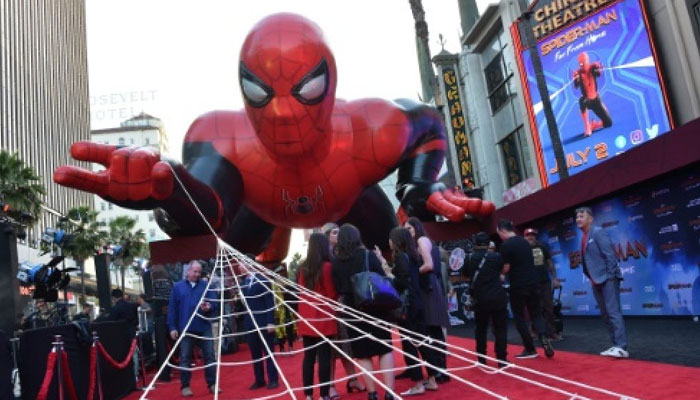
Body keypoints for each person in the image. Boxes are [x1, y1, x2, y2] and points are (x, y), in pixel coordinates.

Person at [332, 224, 395, 400]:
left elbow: (337, 287)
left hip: (351, 309)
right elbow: (381, 277)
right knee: (384, 348)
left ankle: (372, 393)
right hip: (373, 305)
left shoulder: (336, 262)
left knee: (362, 352)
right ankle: (389, 392)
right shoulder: (367, 255)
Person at [374, 227, 437, 396]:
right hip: (417, 302)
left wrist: (389, 277)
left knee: (409, 345)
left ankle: (418, 383)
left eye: (390, 238)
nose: (389, 241)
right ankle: (432, 378)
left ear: (396, 240)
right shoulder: (413, 256)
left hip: (408, 307)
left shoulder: (401, 257)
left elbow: (401, 282)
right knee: (422, 341)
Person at [496, 219, 554, 359]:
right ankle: (544, 337)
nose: (500, 236)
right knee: (536, 314)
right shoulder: (525, 242)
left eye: (499, 233)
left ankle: (530, 348)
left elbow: (506, 267)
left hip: (518, 285)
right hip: (533, 282)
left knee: (519, 317)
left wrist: (500, 274)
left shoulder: (506, 246)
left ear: (503, 231)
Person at [575, 207, 628, 358]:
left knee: (613, 312)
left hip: (608, 279)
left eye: (582, 216)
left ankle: (622, 347)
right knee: (605, 315)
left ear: (591, 219)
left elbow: (609, 256)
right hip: (596, 281)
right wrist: (592, 278)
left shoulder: (598, 232)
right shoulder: (583, 237)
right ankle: (615, 345)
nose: (578, 219)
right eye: (577, 217)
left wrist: (610, 277)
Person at [404, 217, 449, 386]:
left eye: (409, 228)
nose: (407, 232)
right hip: (427, 287)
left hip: (428, 288)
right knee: (432, 330)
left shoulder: (421, 240)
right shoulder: (420, 242)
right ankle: (439, 371)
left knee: (433, 329)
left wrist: (412, 274)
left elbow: (428, 264)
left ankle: (440, 371)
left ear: (417, 228)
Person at [322, 221, 365, 396]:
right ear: (326, 237)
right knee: (330, 348)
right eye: (334, 232)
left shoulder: (342, 254)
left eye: (339, 232)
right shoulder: (323, 257)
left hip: (342, 306)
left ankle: (353, 378)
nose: (338, 235)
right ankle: (330, 385)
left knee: (346, 345)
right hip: (327, 307)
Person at [167, 261, 219, 397]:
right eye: (195, 271)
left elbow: (214, 303)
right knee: (184, 358)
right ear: (188, 271)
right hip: (185, 329)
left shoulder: (206, 286)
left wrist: (209, 307)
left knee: (210, 356)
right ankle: (185, 386)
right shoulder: (177, 287)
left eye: (199, 272)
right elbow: (172, 309)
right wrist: (172, 327)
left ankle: (212, 384)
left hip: (204, 326)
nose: (197, 274)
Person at [298, 233, 337, 400]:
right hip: (323, 318)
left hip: (307, 318)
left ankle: (308, 395)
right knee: (324, 358)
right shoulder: (327, 267)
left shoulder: (302, 268)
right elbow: (331, 294)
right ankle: (324, 394)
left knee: (308, 358)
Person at [464, 232, 508, 367]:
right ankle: (501, 359)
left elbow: (465, 274)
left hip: (480, 298)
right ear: (489, 244)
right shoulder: (497, 257)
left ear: (475, 243)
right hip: (497, 296)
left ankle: (481, 358)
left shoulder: (469, 258)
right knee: (500, 329)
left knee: (481, 329)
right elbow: (502, 270)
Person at [238, 259, 279, 390]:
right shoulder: (242, 283)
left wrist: (271, 322)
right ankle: (259, 380)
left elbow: (270, 302)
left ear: (248, 264)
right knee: (255, 354)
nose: (239, 267)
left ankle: (273, 379)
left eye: (241, 264)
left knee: (268, 352)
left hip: (264, 322)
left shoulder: (263, 280)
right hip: (250, 325)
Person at [524, 228, 562, 341]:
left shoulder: (542, 247)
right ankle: (534, 330)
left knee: (549, 308)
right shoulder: (522, 249)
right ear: (524, 237)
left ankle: (551, 332)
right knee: (534, 308)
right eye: (528, 235)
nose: (530, 237)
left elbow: (550, 263)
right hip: (530, 282)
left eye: (532, 235)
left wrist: (555, 278)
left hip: (544, 281)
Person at [573, 51, 612, 137]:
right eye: (581, 63)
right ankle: (587, 127)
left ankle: (594, 125)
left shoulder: (592, 68)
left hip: (596, 100)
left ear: (588, 60)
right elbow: (576, 86)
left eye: (584, 62)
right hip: (587, 101)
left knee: (608, 123)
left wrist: (597, 68)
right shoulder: (578, 73)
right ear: (579, 64)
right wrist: (576, 78)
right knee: (582, 100)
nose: (583, 65)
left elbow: (598, 74)